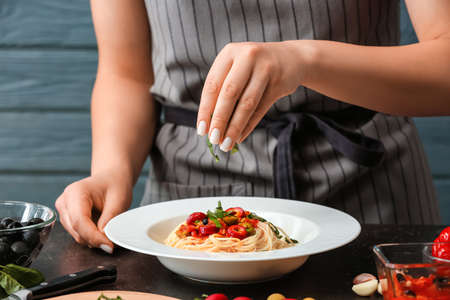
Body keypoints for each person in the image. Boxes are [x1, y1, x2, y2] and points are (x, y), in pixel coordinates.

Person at [55, 0, 450, 254]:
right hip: (187, 194)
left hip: (372, 190)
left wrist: (305, 60)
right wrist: (111, 170)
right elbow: (126, 73)